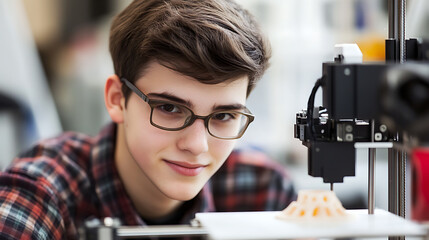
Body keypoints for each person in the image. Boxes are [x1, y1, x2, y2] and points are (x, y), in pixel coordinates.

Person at [0, 0, 296, 239]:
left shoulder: (263, 189)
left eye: (223, 116)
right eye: (169, 108)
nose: (196, 145)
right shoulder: (44, 189)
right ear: (117, 99)